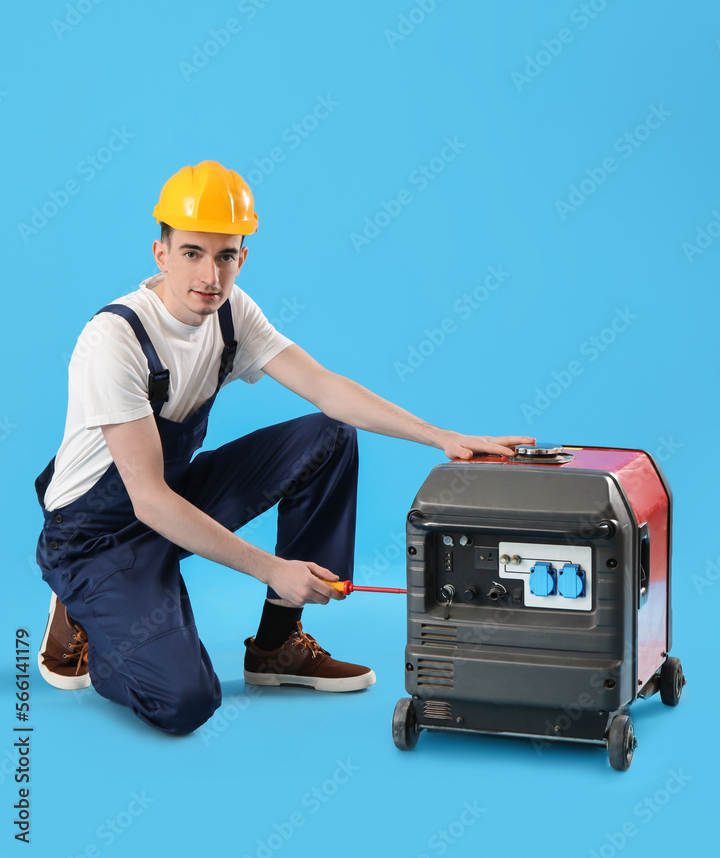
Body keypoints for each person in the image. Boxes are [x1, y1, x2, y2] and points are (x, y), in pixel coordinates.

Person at [34, 160, 534, 735]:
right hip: (97, 535)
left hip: (172, 496)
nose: (210, 276)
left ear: (242, 258)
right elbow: (146, 499)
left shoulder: (231, 314)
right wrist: (272, 568)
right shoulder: (116, 339)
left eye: (225, 256)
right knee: (185, 702)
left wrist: (442, 437)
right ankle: (82, 605)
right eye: (193, 253)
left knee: (330, 435)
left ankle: (278, 644)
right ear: (160, 253)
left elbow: (327, 389)